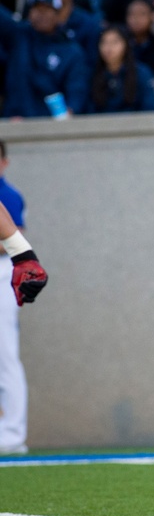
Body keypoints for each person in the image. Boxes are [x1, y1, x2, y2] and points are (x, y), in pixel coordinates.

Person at [0, 140, 49, 455]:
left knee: (5, 353)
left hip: (2, 270)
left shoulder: (9, 194)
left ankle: (13, 433)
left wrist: (22, 254)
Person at [0, 0, 89, 120]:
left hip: (50, 127)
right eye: (37, 10)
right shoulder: (18, 36)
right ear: (29, 13)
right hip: (15, 122)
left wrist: (70, 113)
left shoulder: (71, 51)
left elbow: (77, 90)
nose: (41, 15)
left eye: (47, 10)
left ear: (59, 15)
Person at [86, 25, 154, 114]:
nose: (108, 48)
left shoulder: (141, 73)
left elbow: (150, 108)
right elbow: (88, 111)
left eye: (115, 42)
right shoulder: (92, 74)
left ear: (126, 44)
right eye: (104, 42)